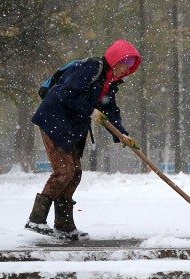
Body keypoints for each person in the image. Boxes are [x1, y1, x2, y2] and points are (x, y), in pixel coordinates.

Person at [25, 39, 142, 240]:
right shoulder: (91, 68)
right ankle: (36, 219)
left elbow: (111, 110)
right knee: (64, 171)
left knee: (75, 173)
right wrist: (91, 110)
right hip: (55, 121)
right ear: (115, 59)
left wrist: (122, 135)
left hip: (72, 127)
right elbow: (66, 92)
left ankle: (64, 225)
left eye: (131, 65)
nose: (126, 68)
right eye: (125, 62)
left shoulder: (109, 82)